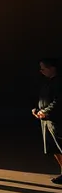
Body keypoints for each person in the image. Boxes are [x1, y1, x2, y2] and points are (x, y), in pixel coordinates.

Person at [33, 57, 62, 185]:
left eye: (43, 68)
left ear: (52, 68)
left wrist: (45, 111)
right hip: (46, 120)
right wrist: (38, 109)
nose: (41, 71)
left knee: (60, 146)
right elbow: (44, 98)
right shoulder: (47, 82)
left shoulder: (59, 82)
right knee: (54, 149)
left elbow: (58, 101)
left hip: (56, 120)